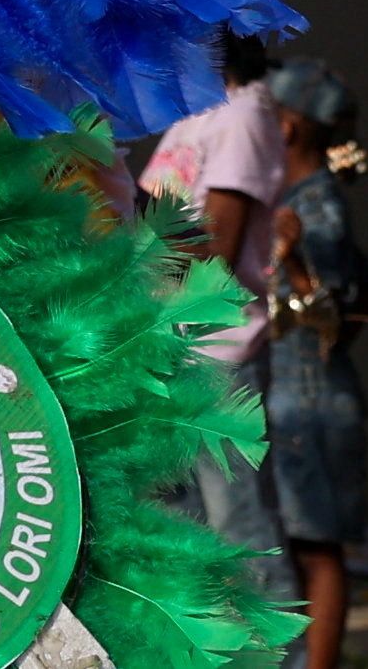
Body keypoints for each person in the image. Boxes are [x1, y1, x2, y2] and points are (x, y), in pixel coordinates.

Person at [140, 34, 291, 579]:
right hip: (171, 349)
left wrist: (130, 247)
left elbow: (218, 249)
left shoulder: (243, 115)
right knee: (187, 531)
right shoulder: (191, 119)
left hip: (220, 353)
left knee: (239, 527)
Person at [259, 65, 368, 669]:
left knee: (316, 546)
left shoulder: (317, 203)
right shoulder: (287, 199)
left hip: (312, 396)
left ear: (289, 126)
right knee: (294, 542)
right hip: (287, 392)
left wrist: (296, 255)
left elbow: (334, 300)